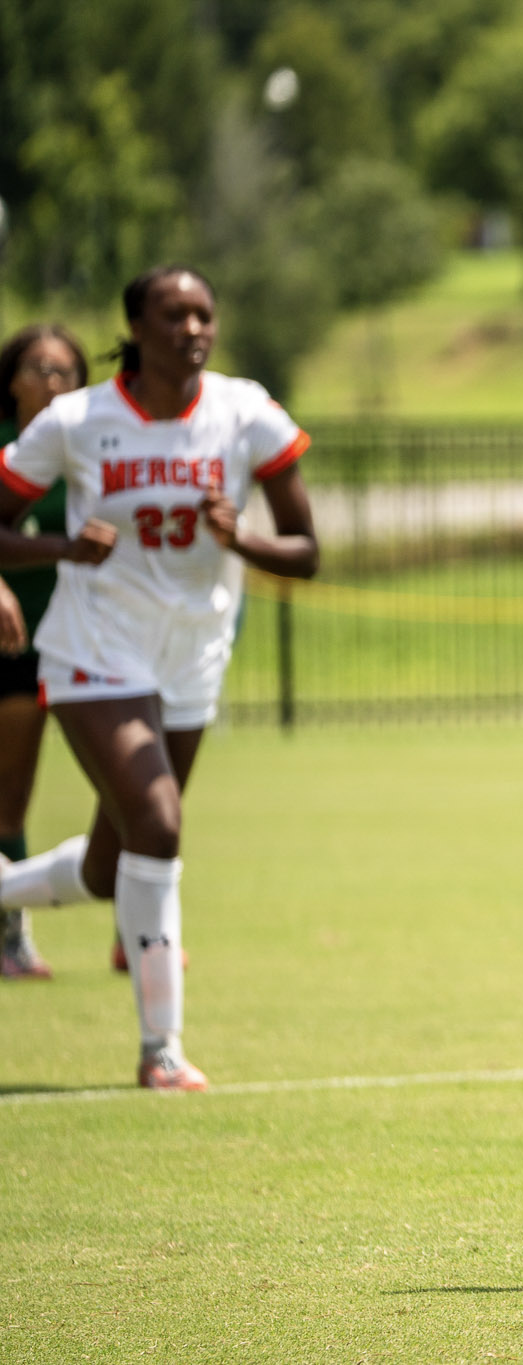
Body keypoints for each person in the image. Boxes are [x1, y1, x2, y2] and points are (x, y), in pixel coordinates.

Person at [0, 266, 319, 1090]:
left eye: (204, 313)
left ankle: (5, 890)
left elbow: (307, 552)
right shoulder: (78, 419)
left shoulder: (244, 411)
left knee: (117, 863)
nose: (193, 328)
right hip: (94, 650)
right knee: (161, 821)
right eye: (173, 315)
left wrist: (243, 540)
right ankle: (161, 1049)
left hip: (191, 655)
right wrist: (61, 548)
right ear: (136, 326)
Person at [0, 325, 88, 979]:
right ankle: (11, 935)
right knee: (11, 794)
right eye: (39, 367)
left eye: (66, 371)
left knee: (135, 794)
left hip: (90, 639)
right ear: (13, 380)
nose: (53, 381)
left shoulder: (93, 448)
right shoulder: (8, 451)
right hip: (19, 643)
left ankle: (144, 932)